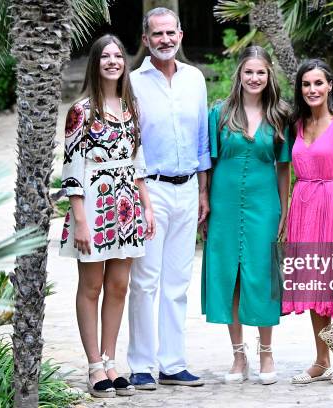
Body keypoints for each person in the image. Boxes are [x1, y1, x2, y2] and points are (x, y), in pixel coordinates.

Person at [59, 34, 155, 398]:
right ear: (95, 63)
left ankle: (111, 360)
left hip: (127, 203)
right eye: (106, 56)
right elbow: (70, 167)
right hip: (94, 206)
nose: (113, 61)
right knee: (92, 286)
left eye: (119, 56)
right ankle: (94, 365)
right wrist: (79, 217)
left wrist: (146, 205)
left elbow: (138, 162)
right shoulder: (81, 110)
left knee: (118, 286)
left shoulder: (132, 107)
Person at [126, 7, 210, 389]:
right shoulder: (133, 82)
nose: (165, 40)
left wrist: (204, 190)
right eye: (157, 34)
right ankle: (141, 364)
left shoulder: (195, 78)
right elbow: (129, 141)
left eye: (170, 33)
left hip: (188, 187)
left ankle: (173, 364)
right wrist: (139, 197)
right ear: (145, 39)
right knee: (145, 281)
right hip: (151, 188)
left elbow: (202, 140)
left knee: (177, 281)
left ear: (181, 35)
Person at [201, 46, 291, 385]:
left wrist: (284, 210)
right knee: (230, 275)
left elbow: (284, 168)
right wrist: (204, 198)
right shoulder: (219, 114)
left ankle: (266, 352)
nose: (254, 78)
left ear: (269, 76)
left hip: (264, 205)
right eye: (248, 72)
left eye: (261, 72)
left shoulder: (280, 115)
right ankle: (238, 356)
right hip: (224, 206)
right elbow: (207, 163)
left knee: (263, 276)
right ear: (239, 74)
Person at [284, 59, 333, 385]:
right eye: (306, 84)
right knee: (314, 284)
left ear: (330, 85)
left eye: (318, 83)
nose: (312, 90)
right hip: (304, 209)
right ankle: (320, 360)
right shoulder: (298, 124)